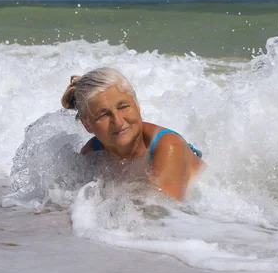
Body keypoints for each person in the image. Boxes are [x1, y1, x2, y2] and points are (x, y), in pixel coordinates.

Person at [61, 67, 204, 201]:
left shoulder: (169, 146)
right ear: (87, 124)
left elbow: (166, 215)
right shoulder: (93, 151)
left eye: (123, 107)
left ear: (137, 106)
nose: (117, 121)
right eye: (103, 115)